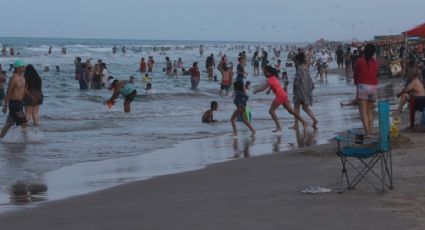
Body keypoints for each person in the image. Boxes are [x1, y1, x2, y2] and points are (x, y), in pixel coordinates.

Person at [254, 66, 308, 132]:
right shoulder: (274, 77)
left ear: (269, 73)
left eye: (265, 72)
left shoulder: (270, 79)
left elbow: (263, 88)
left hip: (280, 96)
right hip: (284, 95)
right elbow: (274, 84)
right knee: (291, 111)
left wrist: (256, 91)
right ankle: (304, 122)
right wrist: (269, 90)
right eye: (264, 72)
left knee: (271, 111)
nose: (264, 73)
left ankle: (279, 127)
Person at [354, 44, 379, 136]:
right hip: (373, 86)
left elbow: (356, 75)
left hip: (362, 86)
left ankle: (367, 132)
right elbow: (375, 74)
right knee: (369, 111)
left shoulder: (359, 61)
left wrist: (357, 84)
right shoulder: (375, 62)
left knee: (363, 112)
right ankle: (370, 131)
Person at [1, 60, 31, 138]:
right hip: (14, 104)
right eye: (23, 66)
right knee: (23, 122)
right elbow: (8, 91)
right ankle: (25, 140)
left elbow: (23, 89)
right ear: (17, 68)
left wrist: (30, 96)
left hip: (19, 103)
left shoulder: (22, 77)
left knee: (9, 124)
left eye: (24, 66)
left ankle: (0, 137)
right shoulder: (14, 78)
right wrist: (5, 105)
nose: (24, 68)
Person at [292, 53, 318, 129]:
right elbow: (309, 80)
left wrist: (295, 91)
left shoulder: (299, 68)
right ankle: (314, 119)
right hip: (306, 91)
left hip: (299, 91)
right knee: (305, 107)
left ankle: (296, 124)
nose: (295, 62)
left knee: (296, 108)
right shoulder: (306, 68)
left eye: (295, 61)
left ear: (298, 60)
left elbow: (297, 81)